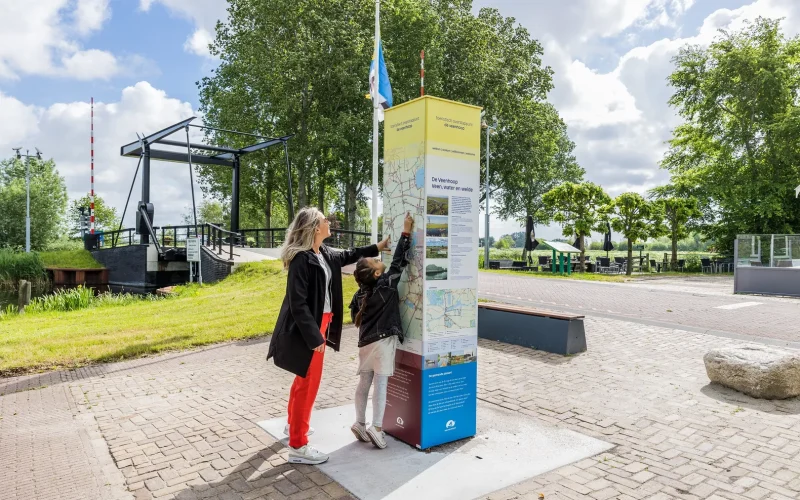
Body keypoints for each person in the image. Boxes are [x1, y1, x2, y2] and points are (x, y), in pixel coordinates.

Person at [268, 207, 391, 464]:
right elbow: (298, 303)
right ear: (315, 227)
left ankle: (293, 427)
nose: (329, 222)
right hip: (310, 328)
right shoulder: (302, 259)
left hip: (319, 324)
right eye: (325, 220)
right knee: (309, 384)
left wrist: (377, 247)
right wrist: (315, 339)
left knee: (303, 380)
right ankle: (298, 447)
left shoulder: (322, 253)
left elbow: (350, 254)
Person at [349, 212, 414, 449]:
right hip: (383, 342)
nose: (379, 260)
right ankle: (377, 428)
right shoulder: (386, 286)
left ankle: (359, 422)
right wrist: (405, 232)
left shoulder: (360, 294)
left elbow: (353, 315)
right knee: (381, 384)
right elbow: (398, 262)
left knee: (364, 382)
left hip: (364, 343)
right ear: (377, 274)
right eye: (376, 261)